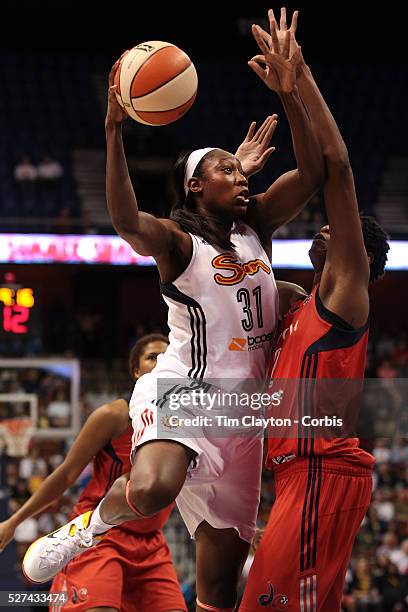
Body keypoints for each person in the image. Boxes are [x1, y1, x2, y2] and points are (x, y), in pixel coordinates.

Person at [23, 20, 324, 612]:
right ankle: (86, 528)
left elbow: (313, 174)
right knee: (154, 484)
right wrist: (114, 133)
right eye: (226, 171)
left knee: (218, 585)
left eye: (240, 172)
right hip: (184, 390)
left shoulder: (255, 227)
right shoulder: (178, 243)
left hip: (244, 418)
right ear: (193, 188)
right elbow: (126, 220)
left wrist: (291, 94)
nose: (241, 178)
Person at [239, 8, 390, 611]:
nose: (325, 227)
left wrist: (300, 80)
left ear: (361, 255)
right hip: (300, 478)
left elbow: (338, 170)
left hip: (322, 474)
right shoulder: (300, 303)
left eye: (342, 230)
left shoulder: (347, 293)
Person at [0, 334, 189, 612]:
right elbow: (65, 475)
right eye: (152, 357)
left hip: (150, 542)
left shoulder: (187, 423)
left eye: (167, 358)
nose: (161, 363)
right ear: (136, 371)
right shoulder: (112, 415)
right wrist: (13, 522)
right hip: (99, 534)